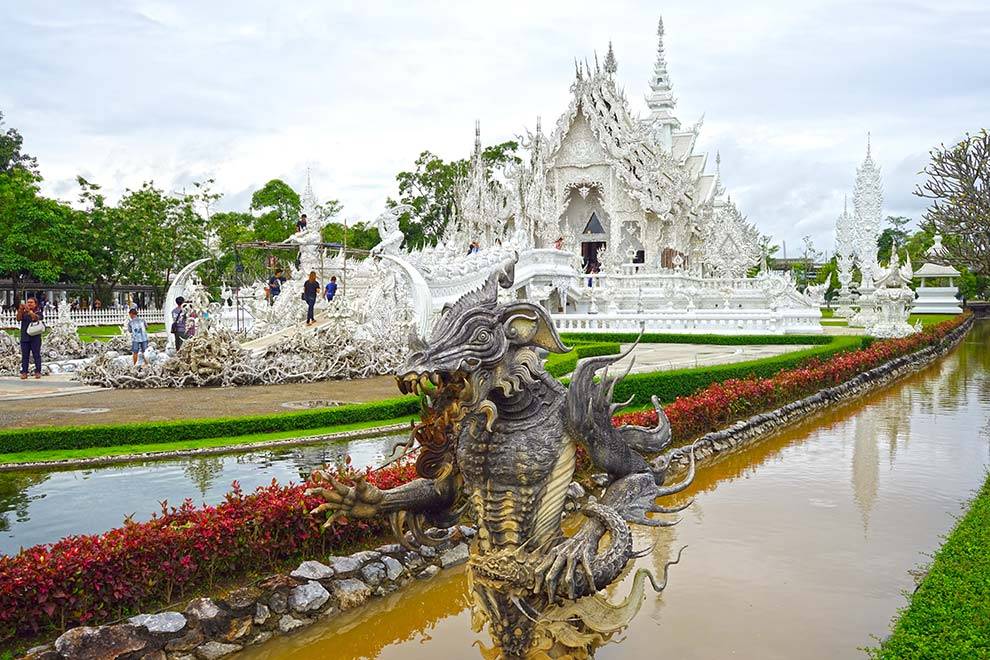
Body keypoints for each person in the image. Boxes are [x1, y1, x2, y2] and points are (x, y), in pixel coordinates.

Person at [16, 298, 43, 379]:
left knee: (36, 355)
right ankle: (24, 372)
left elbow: (36, 318)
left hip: (35, 337)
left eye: (31, 302)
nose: (29, 304)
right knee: (25, 356)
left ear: (35, 304)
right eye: (28, 302)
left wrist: (29, 312)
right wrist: (20, 310)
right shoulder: (24, 313)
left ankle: (38, 371)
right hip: (25, 337)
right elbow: (18, 318)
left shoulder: (38, 312)